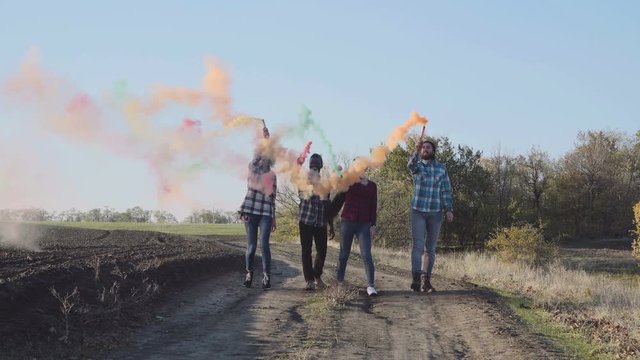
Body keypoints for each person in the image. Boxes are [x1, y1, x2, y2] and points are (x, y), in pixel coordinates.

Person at [407, 140, 453, 293]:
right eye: (423, 147)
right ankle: (415, 279)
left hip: (435, 212)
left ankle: (426, 281)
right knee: (418, 246)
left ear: (433, 150)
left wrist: (448, 209)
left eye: (428, 147)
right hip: (418, 210)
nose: (425, 149)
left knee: (430, 248)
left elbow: (446, 190)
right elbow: (410, 166)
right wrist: (415, 151)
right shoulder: (418, 166)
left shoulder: (441, 168)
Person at [239, 126, 277, 290]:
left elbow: (273, 196)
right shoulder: (253, 167)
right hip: (250, 209)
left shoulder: (273, 175)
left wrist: (274, 216)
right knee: (251, 246)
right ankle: (249, 274)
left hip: (266, 211)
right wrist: (265, 140)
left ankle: (266, 278)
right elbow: (256, 157)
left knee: (265, 244)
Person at [331, 169, 379, 297]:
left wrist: (373, 224)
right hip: (347, 222)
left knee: (366, 254)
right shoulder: (349, 182)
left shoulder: (372, 186)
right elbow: (338, 185)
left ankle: (370, 286)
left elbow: (373, 205)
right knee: (344, 254)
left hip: (364, 224)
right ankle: (339, 283)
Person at [297, 153, 335, 290]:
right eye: (312, 165)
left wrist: (331, 225)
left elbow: (328, 205)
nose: (314, 168)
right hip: (305, 220)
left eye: (316, 165)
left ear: (320, 167)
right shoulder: (303, 179)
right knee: (306, 251)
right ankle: (309, 280)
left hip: (320, 222)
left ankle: (316, 275)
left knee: (322, 250)